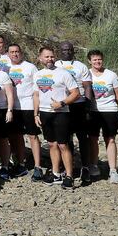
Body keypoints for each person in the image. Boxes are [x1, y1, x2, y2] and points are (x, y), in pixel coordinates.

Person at [33, 47, 80, 189]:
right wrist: (36, 113)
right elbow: (36, 95)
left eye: (52, 56)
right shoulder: (38, 74)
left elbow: (75, 93)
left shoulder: (63, 73)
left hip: (61, 113)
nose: (50, 59)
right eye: (46, 57)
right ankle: (56, 173)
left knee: (63, 145)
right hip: (45, 113)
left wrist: (62, 103)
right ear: (40, 58)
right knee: (52, 144)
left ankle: (69, 175)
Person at [56, 41, 93, 184]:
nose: (67, 51)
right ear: (60, 51)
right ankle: (68, 167)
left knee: (83, 137)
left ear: (73, 51)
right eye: (64, 49)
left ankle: (85, 167)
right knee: (66, 138)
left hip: (79, 105)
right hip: (62, 106)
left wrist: (88, 107)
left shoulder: (80, 66)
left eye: (70, 49)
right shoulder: (56, 66)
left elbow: (87, 87)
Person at [6, 43, 41, 180]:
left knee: (33, 136)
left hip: (28, 105)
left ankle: (38, 166)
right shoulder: (6, 68)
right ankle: (21, 164)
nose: (15, 54)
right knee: (17, 136)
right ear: (8, 54)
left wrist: (36, 110)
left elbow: (37, 89)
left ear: (21, 53)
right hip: (13, 107)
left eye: (17, 51)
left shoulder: (30, 67)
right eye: (12, 52)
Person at [86, 50, 118, 184]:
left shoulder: (111, 75)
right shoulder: (87, 74)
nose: (97, 62)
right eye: (94, 60)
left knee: (110, 139)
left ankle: (113, 170)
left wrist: (111, 105)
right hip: (93, 111)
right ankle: (94, 165)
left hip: (110, 111)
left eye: (99, 59)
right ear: (89, 61)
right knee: (93, 139)